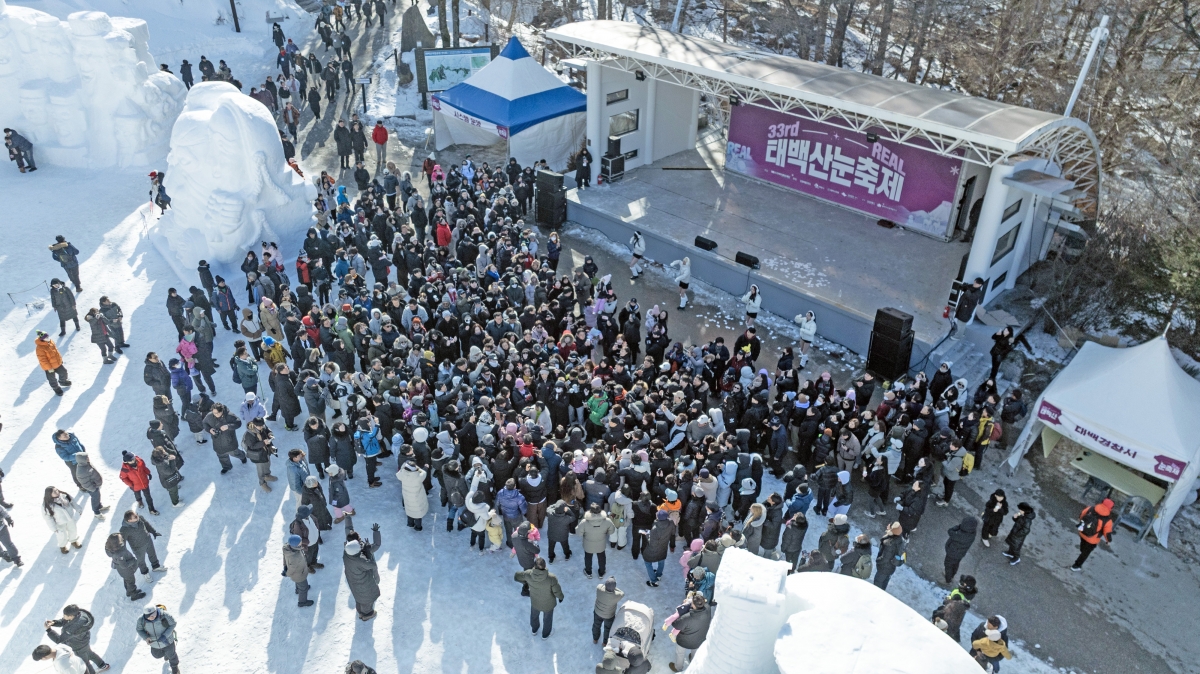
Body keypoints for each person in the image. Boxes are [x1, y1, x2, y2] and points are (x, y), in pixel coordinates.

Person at [44, 605, 108, 672]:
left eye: (65, 615)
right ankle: (102, 665)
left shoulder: (74, 628)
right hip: (84, 642)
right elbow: (64, 621)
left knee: (85, 663)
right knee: (90, 654)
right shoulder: (79, 615)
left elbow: (60, 640)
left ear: (71, 616)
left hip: (78, 647)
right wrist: (54, 623)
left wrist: (49, 630)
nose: (63, 616)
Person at [514, 557, 564, 639]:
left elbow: (516, 576)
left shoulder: (528, 574)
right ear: (545, 566)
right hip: (548, 604)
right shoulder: (551, 578)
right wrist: (561, 597)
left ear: (534, 566)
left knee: (534, 616)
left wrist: (526, 583)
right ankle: (545, 634)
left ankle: (534, 630)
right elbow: (557, 591)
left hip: (535, 601)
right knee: (547, 619)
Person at [343, 524, 383, 620]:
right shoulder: (361, 559)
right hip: (364, 583)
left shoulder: (347, 552)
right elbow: (372, 564)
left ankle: (360, 611)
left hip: (353, 580)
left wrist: (347, 517)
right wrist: (368, 551)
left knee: (359, 597)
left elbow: (348, 533)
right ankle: (366, 614)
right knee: (367, 599)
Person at [670, 593, 712, 672]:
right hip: (700, 638)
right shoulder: (708, 608)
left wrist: (684, 607)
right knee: (695, 653)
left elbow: (675, 624)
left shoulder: (687, 617)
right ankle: (693, 662)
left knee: (680, 653)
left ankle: (678, 667)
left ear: (694, 605)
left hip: (684, 641)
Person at [120, 510, 167, 581]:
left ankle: (155, 566)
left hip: (148, 541)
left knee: (152, 554)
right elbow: (122, 542)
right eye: (135, 517)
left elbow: (147, 525)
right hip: (138, 548)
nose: (137, 516)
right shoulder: (124, 530)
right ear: (129, 520)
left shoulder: (140, 518)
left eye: (136, 514)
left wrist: (153, 532)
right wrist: (122, 553)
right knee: (141, 561)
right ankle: (145, 573)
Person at [1071, 497, 1114, 571]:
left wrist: (1079, 519)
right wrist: (1108, 541)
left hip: (1083, 531)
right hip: (1092, 539)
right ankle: (1076, 566)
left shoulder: (1091, 508)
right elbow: (1107, 533)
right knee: (1086, 553)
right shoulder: (1107, 520)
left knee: (1083, 544)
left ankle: (1082, 550)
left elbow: (1082, 513)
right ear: (1110, 508)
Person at [136, 605, 180, 674]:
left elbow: (173, 623)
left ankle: (175, 667)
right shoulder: (141, 620)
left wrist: (165, 635)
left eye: (153, 615)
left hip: (167, 641)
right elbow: (139, 629)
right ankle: (166, 654)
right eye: (149, 616)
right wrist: (146, 637)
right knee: (156, 655)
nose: (152, 618)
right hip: (154, 643)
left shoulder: (165, 615)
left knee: (172, 655)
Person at [204, 403, 246, 474]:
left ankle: (243, 456)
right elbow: (204, 423)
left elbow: (238, 423)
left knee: (235, 453)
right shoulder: (209, 416)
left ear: (221, 411)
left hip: (230, 442)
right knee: (222, 457)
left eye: (217, 413)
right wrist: (210, 429)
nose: (215, 414)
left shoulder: (230, 416)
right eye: (214, 413)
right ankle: (226, 467)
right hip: (217, 442)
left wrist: (228, 426)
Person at [579, 502, 616, 579]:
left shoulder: (584, 522)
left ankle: (588, 572)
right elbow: (612, 531)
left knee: (588, 557)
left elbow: (578, 532)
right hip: (601, 544)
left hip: (588, 544)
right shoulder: (607, 521)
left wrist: (585, 534)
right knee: (601, 557)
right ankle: (601, 573)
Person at [105, 533, 145, 601]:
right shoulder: (119, 553)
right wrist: (133, 561)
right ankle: (134, 595)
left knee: (126, 580)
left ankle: (129, 592)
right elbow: (124, 565)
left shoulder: (109, 548)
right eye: (120, 539)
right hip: (126, 570)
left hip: (120, 569)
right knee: (131, 581)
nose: (122, 539)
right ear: (117, 543)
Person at [43, 486, 82, 554]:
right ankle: (62, 546)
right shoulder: (47, 505)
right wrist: (53, 528)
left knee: (73, 530)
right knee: (62, 535)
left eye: (56, 490)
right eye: (54, 492)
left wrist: (78, 509)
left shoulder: (65, 496)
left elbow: (73, 502)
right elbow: (48, 517)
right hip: (59, 523)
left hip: (70, 518)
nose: (57, 492)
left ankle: (73, 541)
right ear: (49, 494)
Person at [643, 509, 676, 587]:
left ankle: (654, 581)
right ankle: (659, 575)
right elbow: (673, 535)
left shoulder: (655, 527)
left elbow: (652, 542)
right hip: (663, 547)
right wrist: (672, 545)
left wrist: (646, 534)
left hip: (653, 549)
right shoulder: (671, 523)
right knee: (661, 560)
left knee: (647, 562)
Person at [119, 451, 159, 515]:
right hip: (135, 486)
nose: (133, 461)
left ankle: (151, 509)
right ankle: (139, 501)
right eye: (131, 460)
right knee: (137, 495)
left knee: (148, 497)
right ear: (127, 462)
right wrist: (130, 484)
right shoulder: (125, 469)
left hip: (144, 483)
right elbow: (123, 478)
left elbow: (144, 468)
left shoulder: (140, 461)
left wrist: (148, 473)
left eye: (133, 459)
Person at [73, 453, 110, 520]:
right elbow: (84, 483)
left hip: (95, 485)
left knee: (97, 496)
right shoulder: (81, 471)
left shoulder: (87, 464)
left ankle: (99, 506)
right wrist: (93, 488)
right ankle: (96, 513)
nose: (88, 458)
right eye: (86, 458)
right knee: (95, 499)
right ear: (82, 460)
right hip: (92, 488)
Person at [942, 515, 977, 584]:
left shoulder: (959, 535)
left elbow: (950, 531)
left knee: (948, 565)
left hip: (952, 553)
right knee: (956, 564)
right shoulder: (973, 533)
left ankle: (948, 579)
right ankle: (952, 575)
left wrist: (958, 526)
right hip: (961, 553)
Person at [284, 533, 315, 607]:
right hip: (299, 574)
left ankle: (298, 590)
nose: (302, 542)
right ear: (296, 545)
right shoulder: (295, 557)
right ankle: (302, 602)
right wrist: (287, 573)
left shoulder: (290, 548)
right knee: (303, 588)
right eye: (300, 542)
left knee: (299, 583)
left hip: (297, 574)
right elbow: (292, 569)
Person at [35, 331, 71, 396]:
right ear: (42, 339)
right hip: (49, 367)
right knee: (52, 379)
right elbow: (43, 360)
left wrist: (59, 360)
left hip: (56, 363)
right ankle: (56, 388)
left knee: (64, 372)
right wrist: (49, 368)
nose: (48, 338)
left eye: (48, 336)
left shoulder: (51, 342)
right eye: (46, 337)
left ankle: (63, 382)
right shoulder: (40, 348)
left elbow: (56, 352)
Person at [873, 521, 906, 590]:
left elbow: (885, 558)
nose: (887, 526)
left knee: (877, 585)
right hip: (891, 568)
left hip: (883, 568)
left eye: (889, 526)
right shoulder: (900, 540)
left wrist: (877, 561)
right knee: (884, 583)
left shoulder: (889, 543)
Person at [397, 458, 428, 529]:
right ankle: (418, 527)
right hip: (417, 498)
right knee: (417, 513)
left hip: (407, 497)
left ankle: (410, 523)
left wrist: (405, 463)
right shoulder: (418, 477)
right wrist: (424, 467)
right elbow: (424, 473)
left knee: (409, 510)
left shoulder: (402, 474)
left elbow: (401, 469)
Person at [592, 576, 623, 645]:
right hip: (609, 616)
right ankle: (605, 642)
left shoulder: (599, 589)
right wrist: (614, 588)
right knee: (607, 629)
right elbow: (622, 593)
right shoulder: (616, 595)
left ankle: (595, 639)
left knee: (596, 625)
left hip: (597, 612)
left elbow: (600, 585)